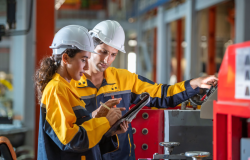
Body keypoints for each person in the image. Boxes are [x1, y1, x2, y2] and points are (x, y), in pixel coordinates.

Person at [70, 20, 218, 160]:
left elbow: (162, 94)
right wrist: (93, 119)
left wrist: (193, 84)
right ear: (90, 47)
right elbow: (65, 132)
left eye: (113, 54)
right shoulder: (70, 85)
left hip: (121, 156)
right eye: (103, 51)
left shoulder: (125, 79)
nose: (106, 60)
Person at [35, 25, 129, 160]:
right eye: (83, 59)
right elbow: (72, 140)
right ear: (66, 58)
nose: (86, 67)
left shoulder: (67, 88)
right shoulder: (56, 89)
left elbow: (82, 134)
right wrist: (105, 122)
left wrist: (107, 129)